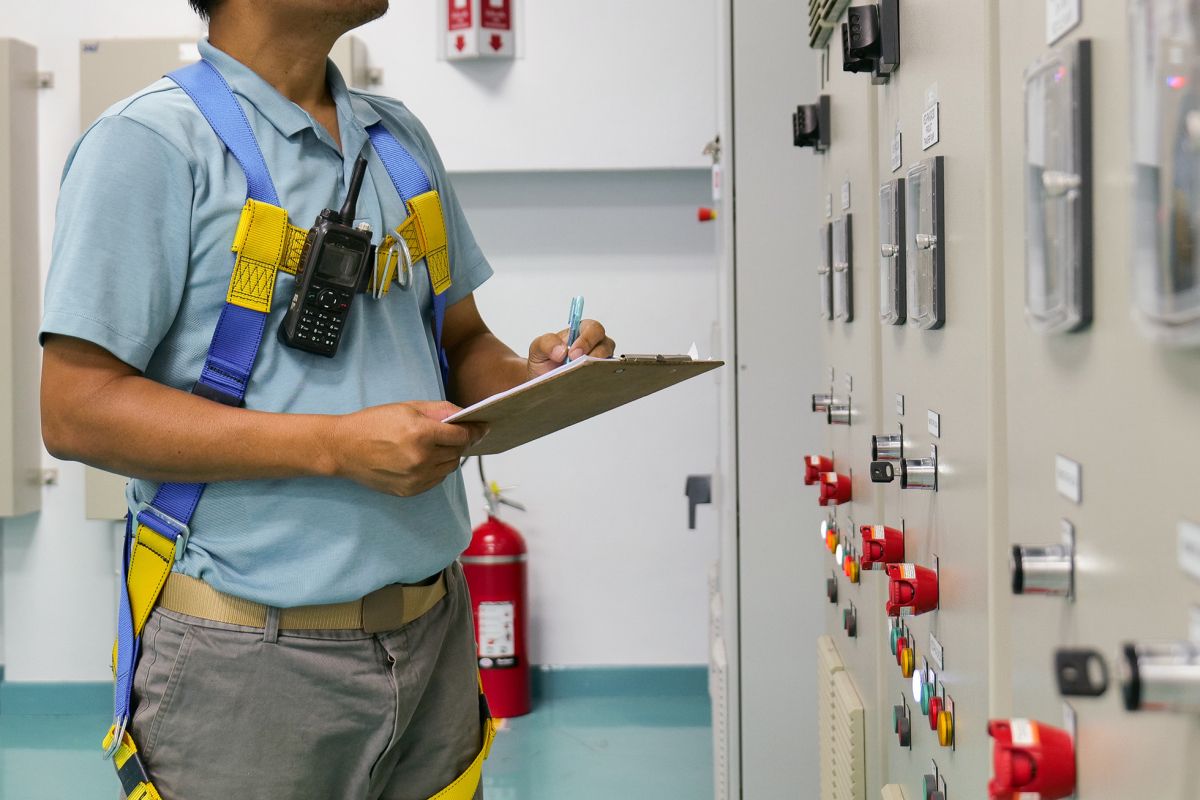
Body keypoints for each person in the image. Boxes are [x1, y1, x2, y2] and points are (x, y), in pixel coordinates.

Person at [38, 1, 614, 797]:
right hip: (244, 661)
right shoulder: (150, 145)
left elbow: (465, 345)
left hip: (434, 636)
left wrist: (534, 379)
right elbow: (74, 409)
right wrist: (336, 445)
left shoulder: (397, 141)